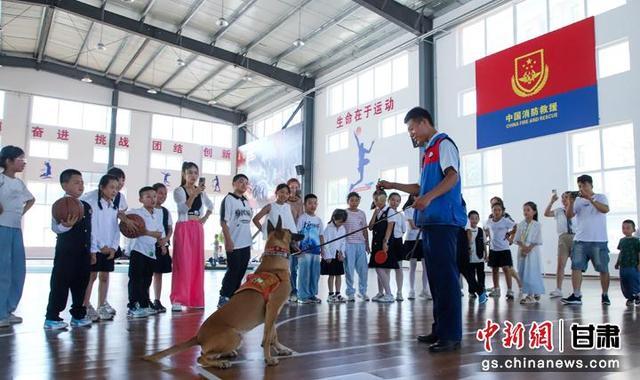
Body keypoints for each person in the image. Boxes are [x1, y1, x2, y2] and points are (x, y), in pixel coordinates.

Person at [378, 107, 467, 353]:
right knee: (437, 279)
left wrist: (427, 199)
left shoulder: (444, 145)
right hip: (430, 223)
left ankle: (451, 335)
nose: (412, 134)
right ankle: (440, 329)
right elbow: (420, 186)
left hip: (444, 222)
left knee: (446, 279)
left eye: (412, 128)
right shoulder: (428, 152)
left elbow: (452, 177)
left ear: (423, 122)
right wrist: (391, 184)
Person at [44, 170, 94, 329]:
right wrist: (66, 226)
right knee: (60, 284)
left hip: (83, 252)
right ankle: (52, 317)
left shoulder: (86, 206)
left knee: (81, 284)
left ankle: (78, 316)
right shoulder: (60, 205)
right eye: (76, 182)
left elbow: (90, 231)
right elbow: (55, 228)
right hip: (66, 253)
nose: (81, 185)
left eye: (82, 182)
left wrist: (92, 251)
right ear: (64, 185)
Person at [562, 175, 611, 306]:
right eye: (579, 186)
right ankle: (576, 295)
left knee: (603, 269)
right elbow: (569, 215)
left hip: (598, 240)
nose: (581, 188)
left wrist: (590, 199)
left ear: (591, 185)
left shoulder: (600, 197)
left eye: (584, 185)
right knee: (576, 267)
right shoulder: (577, 200)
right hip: (580, 240)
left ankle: (605, 295)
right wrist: (571, 202)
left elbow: (605, 209)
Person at [0, 146, 35, 328]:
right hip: (2, 228)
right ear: (8, 161)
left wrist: (21, 213)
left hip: (15, 229)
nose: (23, 162)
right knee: (2, 270)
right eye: (20, 159)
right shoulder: (1, 179)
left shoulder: (19, 183)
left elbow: (31, 199)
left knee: (17, 270)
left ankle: (8, 309)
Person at [171, 162, 213, 311]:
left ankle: (195, 299)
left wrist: (205, 219)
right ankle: (177, 299)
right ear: (184, 174)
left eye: (196, 173)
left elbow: (211, 206)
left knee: (196, 264)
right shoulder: (179, 190)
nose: (193, 176)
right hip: (184, 227)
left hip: (197, 228)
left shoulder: (200, 192)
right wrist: (194, 194)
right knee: (182, 263)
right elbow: (183, 209)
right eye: (190, 172)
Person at [81, 174, 120, 322]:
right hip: (96, 248)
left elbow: (115, 229)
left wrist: (113, 247)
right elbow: (92, 228)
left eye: (116, 188)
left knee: (105, 276)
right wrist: (97, 247)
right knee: (91, 276)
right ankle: (86, 305)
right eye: (111, 187)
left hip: (108, 249)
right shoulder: (93, 205)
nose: (114, 191)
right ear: (102, 187)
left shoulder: (113, 206)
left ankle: (102, 304)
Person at [126, 187, 166, 318]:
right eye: (148, 196)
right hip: (138, 250)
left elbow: (159, 233)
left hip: (151, 252)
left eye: (154, 196)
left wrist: (146, 232)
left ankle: (144, 305)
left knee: (147, 280)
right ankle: (133, 306)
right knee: (135, 279)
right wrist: (144, 231)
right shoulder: (135, 213)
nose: (152, 199)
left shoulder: (157, 214)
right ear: (141, 199)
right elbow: (126, 224)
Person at [217, 174, 253, 308]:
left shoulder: (246, 201)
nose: (244, 185)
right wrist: (228, 240)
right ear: (234, 183)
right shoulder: (228, 199)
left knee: (241, 270)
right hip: (234, 242)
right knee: (233, 270)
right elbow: (223, 222)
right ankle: (224, 296)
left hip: (246, 243)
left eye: (246, 182)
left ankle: (233, 296)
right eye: (241, 182)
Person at [368, 190, 398, 304]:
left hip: (384, 243)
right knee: (379, 269)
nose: (377, 202)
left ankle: (389, 294)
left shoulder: (390, 211)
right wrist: (375, 214)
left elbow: (389, 228)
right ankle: (380, 293)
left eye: (379, 199)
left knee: (380, 269)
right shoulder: (377, 211)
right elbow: (370, 227)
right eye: (375, 199)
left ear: (384, 199)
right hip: (375, 243)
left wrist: (385, 242)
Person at [544, 191, 575, 298]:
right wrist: (551, 201)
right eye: (562, 198)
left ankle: (576, 290)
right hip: (563, 238)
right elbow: (546, 213)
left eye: (566, 197)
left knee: (576, 266)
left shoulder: (576, 210)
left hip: (575, 237)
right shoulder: (559, 211)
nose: (564, 199)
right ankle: (558, 289)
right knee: (561, 264)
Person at [296, 194, 325, 304]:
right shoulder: (302, 218)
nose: (312, 205)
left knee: (315, 274)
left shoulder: (318, 220)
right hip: (304, 251)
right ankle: (303, 296)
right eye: (310, 203)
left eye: (314, 203)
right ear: (305, 205)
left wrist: (323, 250)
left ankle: (312, 294)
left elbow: (321, 236)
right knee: (304, 273)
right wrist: (297, 248)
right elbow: (298, 233)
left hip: (316, 252)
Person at [514, 202, 545, 304]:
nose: (525, 212)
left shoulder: (537, 225)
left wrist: (529, 248)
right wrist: (523, 247)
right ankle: (532, 291)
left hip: (532, 252)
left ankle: (530, 295)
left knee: (531, 272)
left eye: (528, 210)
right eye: (524, 210)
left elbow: (537, 240)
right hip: (522, 251)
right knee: (523, 272)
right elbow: (517, 239)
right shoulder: (521, 224)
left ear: (534, 212)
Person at [485, 202, 516, 300]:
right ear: (492, 211)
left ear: (502, 211)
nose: (497, 212)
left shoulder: (505, 221)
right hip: (493, 249)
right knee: (494, 270)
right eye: (495, 210)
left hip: (504, 249)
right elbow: (485, 230)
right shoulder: (489, 221)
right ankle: (496, 289)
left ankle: (510, 290)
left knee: (506, 269)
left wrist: (509, 234)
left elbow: (516, 226)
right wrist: (487, 237)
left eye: (499, 210)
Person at [343, 192, 370, 302]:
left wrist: (367, 244)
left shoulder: (362, 214)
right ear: (348, 201)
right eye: (352, 200)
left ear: (359, 201)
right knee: (349, 270)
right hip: (348, 244)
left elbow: (365, 229)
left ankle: (362, 292)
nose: (354, 202)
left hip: (360, 244)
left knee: (363, 270)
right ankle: (350, 293)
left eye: (356, 200)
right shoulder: (344, 213)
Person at [150, 183, 173, 313]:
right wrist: (160, 242)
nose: (163, 196)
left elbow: (169, 229)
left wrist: (165, 241)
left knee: (158, 274)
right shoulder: (148, 209)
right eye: (160, 193)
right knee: (147, 274)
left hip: (162, 246)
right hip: (150, 246)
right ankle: (144, 300)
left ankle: (157, 300)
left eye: (165, 194)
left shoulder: (165, 211)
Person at [403, 195, 430, 300]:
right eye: (415, 195)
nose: (417, 197)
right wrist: (424, 226)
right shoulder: (408, 209)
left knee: (425, 267)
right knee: (412, 266)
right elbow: (413, 226)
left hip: (423, 240)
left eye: (419, 195)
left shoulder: (425, 207)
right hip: (412, 240)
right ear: (411, 197)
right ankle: (411, 290)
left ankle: (425, 290)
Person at [462, 211, 488, 304]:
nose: (474, 220)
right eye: (472, 218)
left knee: (481, 274)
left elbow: (484, 243)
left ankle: (482, 289)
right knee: (471, 275)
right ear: (469, 220)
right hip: (470, 258)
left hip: (480, 257)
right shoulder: (465, 231)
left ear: (479, 219)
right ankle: (471, 291)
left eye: (476, 218)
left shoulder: (481, 231)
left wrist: (486, 254)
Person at [322, 209, 348, 303]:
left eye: (343, 222)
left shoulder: (342, 228)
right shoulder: (328, 228)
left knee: (339, 275)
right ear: (334, 218)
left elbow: (343, 241)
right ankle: (330, 294)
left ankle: (338, 294)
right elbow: (325, 243)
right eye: (340, 221)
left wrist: (342, 253)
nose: (341, 224)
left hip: (338, 255)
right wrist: (327, 256)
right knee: (331, 275)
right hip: (330, 256)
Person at [615, 220, 640, 306]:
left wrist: (639, 263)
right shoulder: (622, 240)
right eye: (623, 228)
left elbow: (638, 252)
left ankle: (637, 295)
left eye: (628, 228)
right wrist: (617, 262)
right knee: (624, 281)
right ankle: (630, 297)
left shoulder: (637, 241)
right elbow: (621, 252)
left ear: (633, 230)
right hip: (623, 265)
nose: (625, 230)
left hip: (633, 265)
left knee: (634, 280)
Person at [287, 178, 304, 302]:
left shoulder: (300, 202)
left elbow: (300, 220)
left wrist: (297, 239)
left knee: (293, 267)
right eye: (291, 187)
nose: (293, 189)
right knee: (282, 266)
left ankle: (293, 291)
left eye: (295, 187)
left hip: (294, 236)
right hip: (283, 236)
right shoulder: (283, 201)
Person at [387, 193, 406, 301]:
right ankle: (387, 292)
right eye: (393, 200)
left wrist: (396, 238)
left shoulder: (400, 215)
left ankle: (399, 292)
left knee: (399, 268)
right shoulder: (386, 213)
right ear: (388, 200)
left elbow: (404, 229)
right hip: (388, 242)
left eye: (398, 200)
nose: (395, 202)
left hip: (398, 242)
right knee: (387, 269)